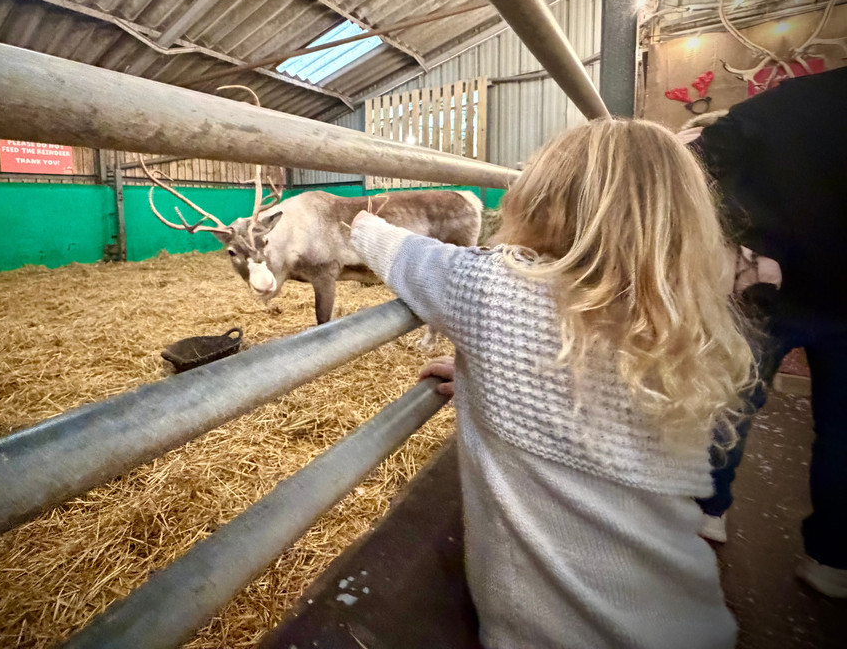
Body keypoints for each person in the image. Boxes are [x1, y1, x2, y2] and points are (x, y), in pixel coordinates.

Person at [350, 118, 753, 649]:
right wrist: (485, 378)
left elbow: (377, 239)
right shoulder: (678, 323)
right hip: (690, 617)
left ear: (540, 200)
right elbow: (576, 388)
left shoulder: (492, 287)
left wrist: (353, 211)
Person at [683, 67, 847, 598]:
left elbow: (703, 156)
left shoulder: (797, 100)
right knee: (843, 433)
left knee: (731, 402)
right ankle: (831, 557)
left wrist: (739, 229)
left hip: (767, 282)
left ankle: (708, 510)